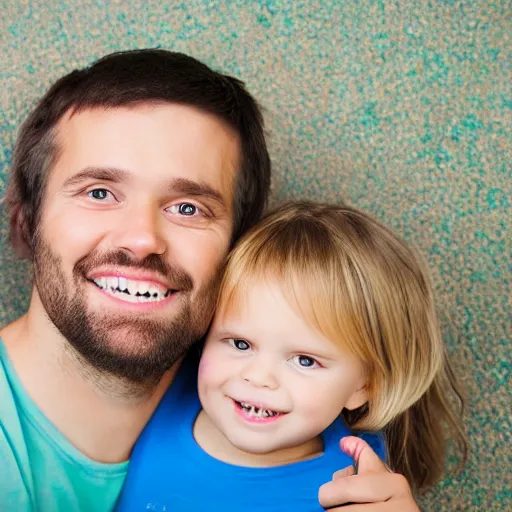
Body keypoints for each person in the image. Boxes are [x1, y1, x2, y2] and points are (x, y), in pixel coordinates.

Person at [0, 49, 420, 511]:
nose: (142, 239)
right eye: (99, 192)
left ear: (238, 250)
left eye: (188, 208)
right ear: (27, 217)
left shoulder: (292, 410)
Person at [116, 201, 468, 511]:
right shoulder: (163, 386)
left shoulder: (352, 491)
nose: (259, 377)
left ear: (365, 385)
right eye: (240, 343)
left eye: (305, 360)